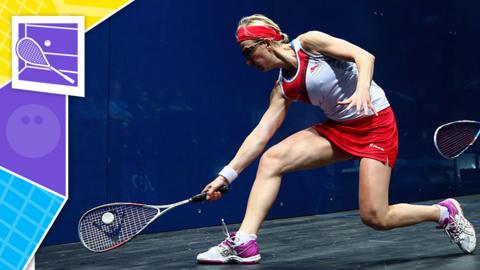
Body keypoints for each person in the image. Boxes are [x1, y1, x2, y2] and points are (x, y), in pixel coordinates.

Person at [196, 14, 476, 264]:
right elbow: (260, 134)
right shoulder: (283, 88)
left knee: (375, 217)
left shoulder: (309, 42)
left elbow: (364, 57)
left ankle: (443, 213)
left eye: (249, 52)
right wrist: (226, 177)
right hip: (339, 129)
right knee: (272, 159)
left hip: (377, 125)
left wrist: (363, 89)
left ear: (267, 42)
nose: (247, 62)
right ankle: (245, 241)